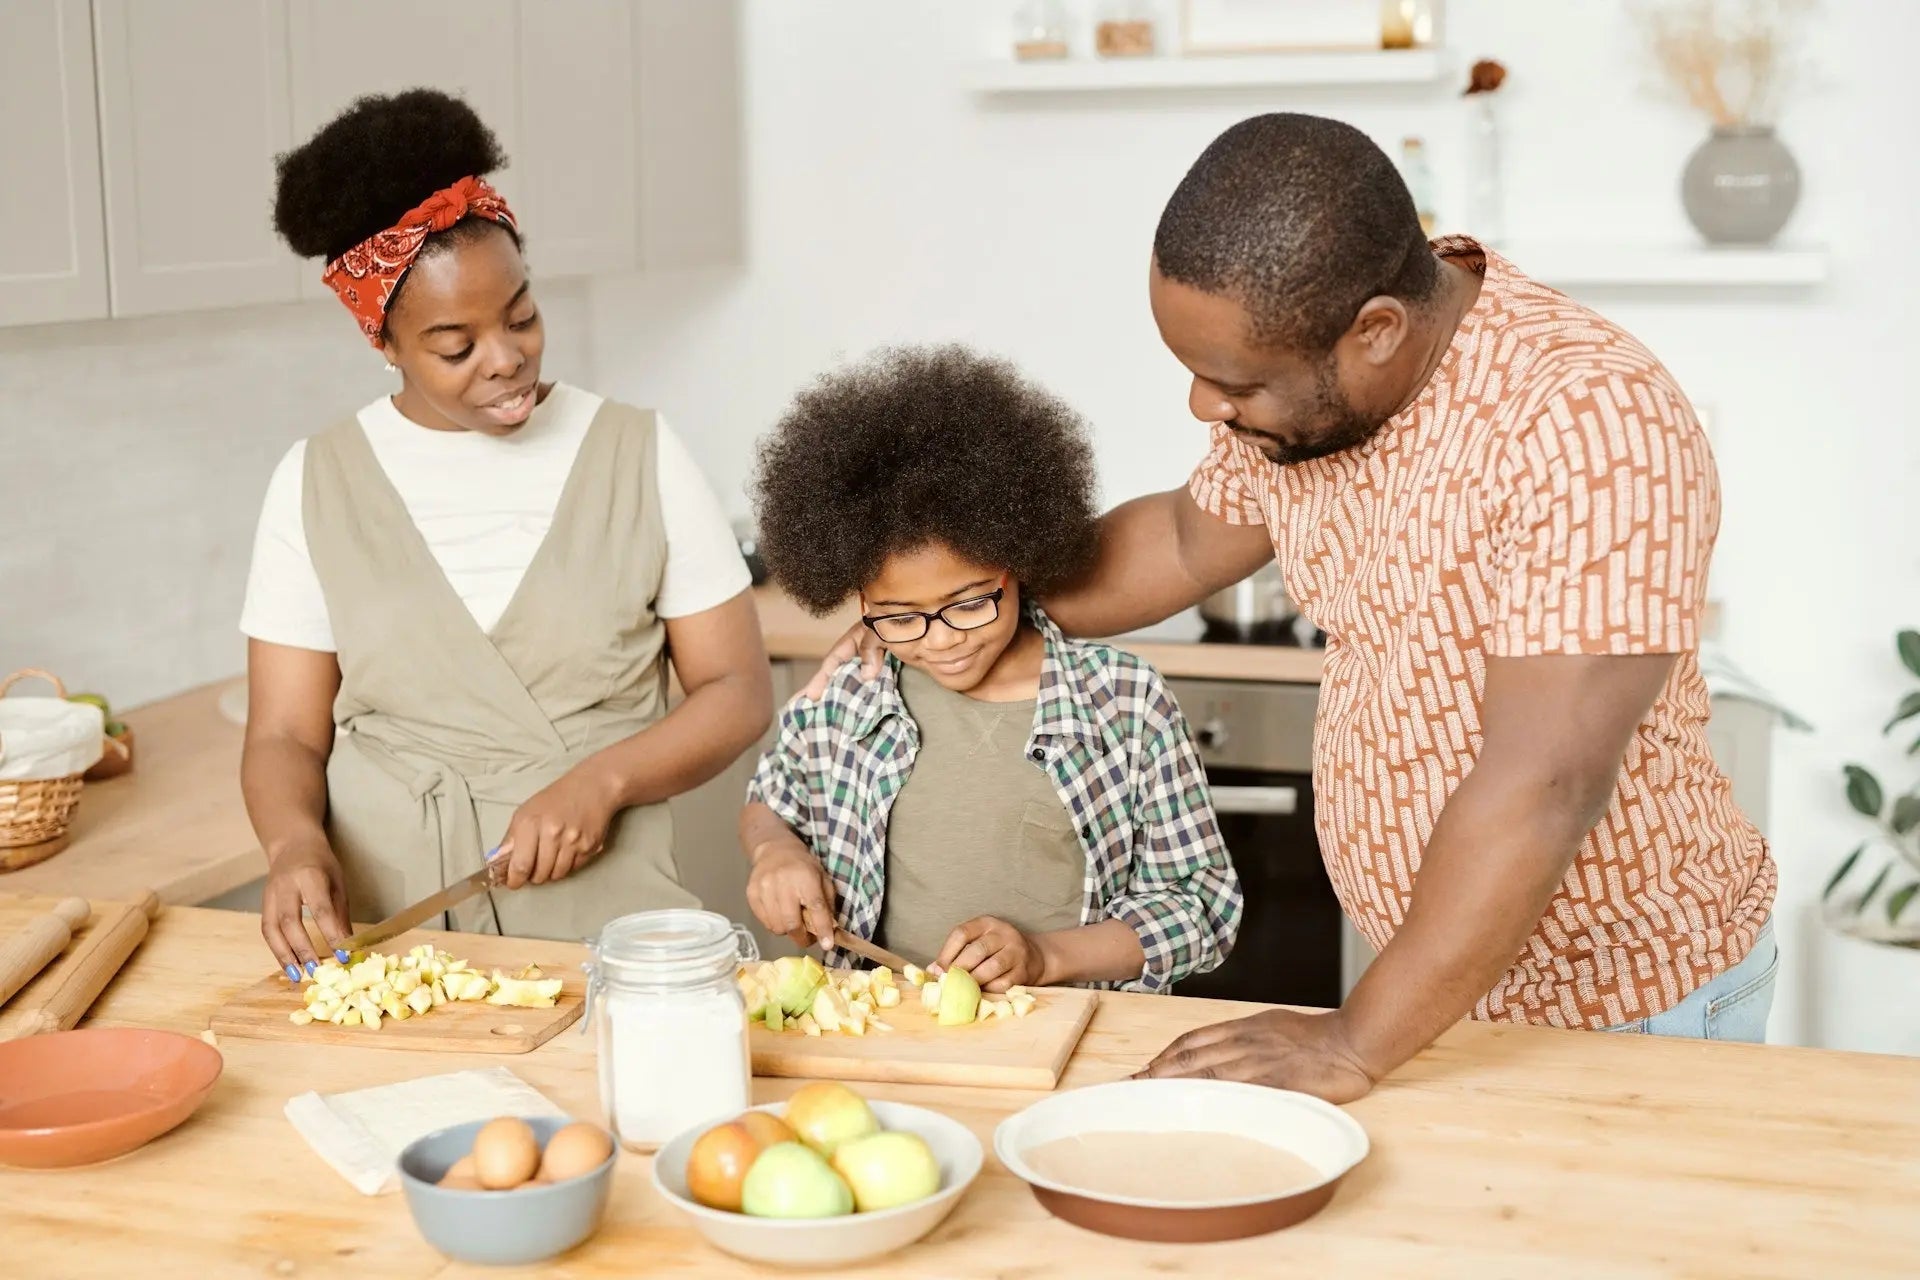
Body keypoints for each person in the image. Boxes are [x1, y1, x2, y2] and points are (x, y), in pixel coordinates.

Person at [814, 115, 1777, 1096]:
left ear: (1376, 332)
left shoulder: (1589, 425)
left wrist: (1354, 1039)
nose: (1201, 405)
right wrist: (967, 603)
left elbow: (1542, 786)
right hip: (1431, 983)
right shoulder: (1309, 396)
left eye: (1233, 382)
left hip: (1616, 1009)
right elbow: (1188, 537)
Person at [241, 90, 772, 978]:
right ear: (387, 344)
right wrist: (294, 847)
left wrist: (604, 782)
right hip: (389, 938)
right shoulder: (315, 481)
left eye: (521, 316)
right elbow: (285, 736)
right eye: (456, 345)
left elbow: (736, 689)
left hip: (612, 927)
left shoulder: (640, 453)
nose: (507, 356)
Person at [742, 346, 1241, 992]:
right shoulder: (845, 698)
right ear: (858, 601)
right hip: (888, 1036)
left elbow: (1201, 905)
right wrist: (775, 852)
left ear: (1019, 561)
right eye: (899, 616)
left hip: (1075, 1040)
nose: (942, 640)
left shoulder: (1125, 703)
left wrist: (1047, 957)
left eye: (970, 604)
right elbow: (767, 803)